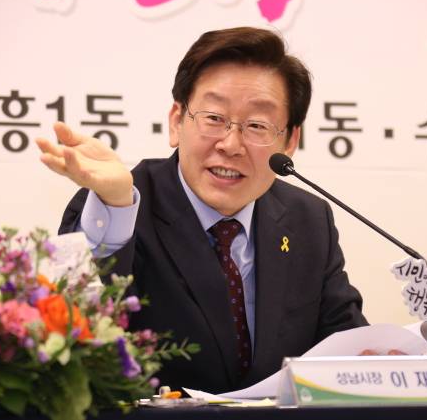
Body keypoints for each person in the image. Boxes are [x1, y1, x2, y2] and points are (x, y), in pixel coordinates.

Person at [36, 26, 368, 394]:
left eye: (257, 125)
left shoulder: (308, 219)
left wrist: (388, 362)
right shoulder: (117, 205)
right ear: (176, 121)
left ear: (290, 141)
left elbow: (345, 345)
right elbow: (76, 321)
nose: (231, 144)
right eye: (214, 118)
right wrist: (114, 206)